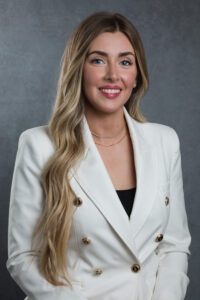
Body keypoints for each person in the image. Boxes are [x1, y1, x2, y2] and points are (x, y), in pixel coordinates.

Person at [7, 11, 191, 300]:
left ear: (137, 74)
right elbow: (23, 257)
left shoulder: (164, 141)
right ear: (77, 68)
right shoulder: (39, 146)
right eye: (98, 60)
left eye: (125, 61)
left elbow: (174, 246)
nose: (113, 75)